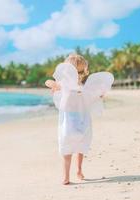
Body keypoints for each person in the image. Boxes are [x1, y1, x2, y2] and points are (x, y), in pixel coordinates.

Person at [45, 53, 113, 185]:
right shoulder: (73, 86)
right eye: (79, 71)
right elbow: (48, 82)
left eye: (80, 71)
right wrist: (55, 85)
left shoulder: (76, 87)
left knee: (73, 148)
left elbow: (91, 97)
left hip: (75, 121)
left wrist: (54, 85)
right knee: (74, 147)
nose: (79, 74)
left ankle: (73, 173)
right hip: (76, 121)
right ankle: (73, 173)